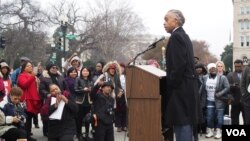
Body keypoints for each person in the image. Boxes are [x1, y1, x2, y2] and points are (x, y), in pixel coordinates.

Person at [163, 9, 199, 141]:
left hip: (180, 89)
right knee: (185, 121)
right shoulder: (184, 36)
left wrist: (171, 84)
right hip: (186, 87)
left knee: (182, 121)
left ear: (176, 21)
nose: (164, 23)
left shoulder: (176, 36)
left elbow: (178, 66)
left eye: (167, 19)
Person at [200, 63, 230, 139]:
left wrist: (219, 94)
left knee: (220, 117)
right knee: (209, 117)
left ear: (216, 69)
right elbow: (201, 89)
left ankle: (218, 131)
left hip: (219, 100)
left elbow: (227, 87)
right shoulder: (205, 78)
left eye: (214, 68)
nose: (213, 69)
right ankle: (210, 131)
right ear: (208, 70)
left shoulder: (222, 78)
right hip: (209, 100)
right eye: (211, 68)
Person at [17, 61, 41, 139]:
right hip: (26, 100)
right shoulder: (21, 75)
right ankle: (26, 136)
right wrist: (32, 76)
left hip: (34, 98)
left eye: (31, 66)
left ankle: (28, 135)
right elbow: (24, 85)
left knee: (30, 117)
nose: (30, 67)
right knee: (27, 118)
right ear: (24, 67)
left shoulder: (33, 76)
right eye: (27, 66)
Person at [74, 67, 93, 141]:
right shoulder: (78, 79)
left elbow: (93, 89)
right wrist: (83, 90)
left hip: (88, 101)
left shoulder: (90, 79)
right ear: (81, 72)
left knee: (87, 118)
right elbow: (75, 89)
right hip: (80, 102)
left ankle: (87, 134)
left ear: (89, 72)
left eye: (87, 71)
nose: (85, 72)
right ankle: (79, 134)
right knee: (79, 119)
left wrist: (91, 90)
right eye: (84, 71)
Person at [227, 59, 245, 125]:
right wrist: (233, 85)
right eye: (236, 66)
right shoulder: (230, 75)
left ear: (242, 66)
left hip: (245, 101)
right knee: (234, 119)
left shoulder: (247, 74)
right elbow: (227, 87)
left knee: (247, 119)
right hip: (235, 100)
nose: (237, 68)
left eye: (239, 66)